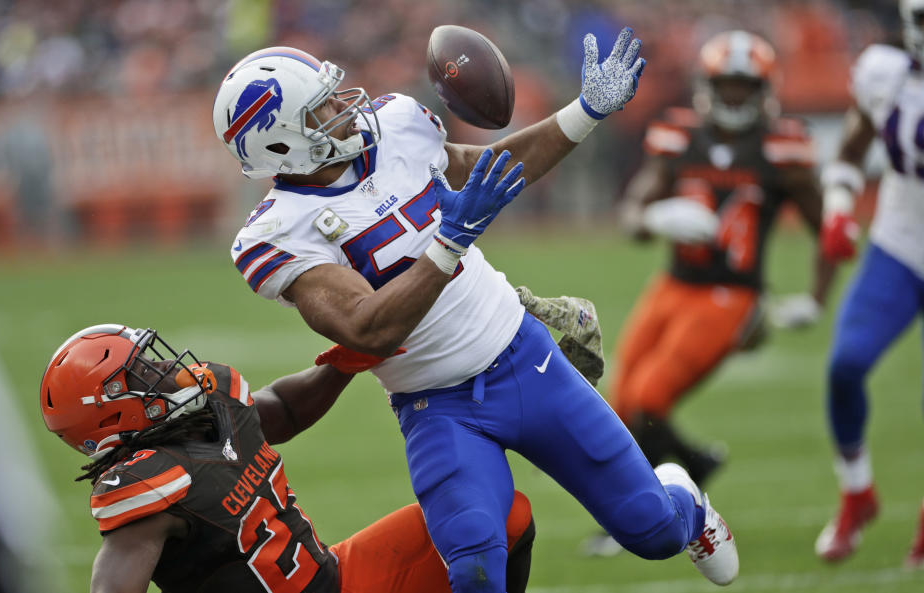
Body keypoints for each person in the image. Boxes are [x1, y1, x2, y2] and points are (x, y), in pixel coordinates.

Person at [211, 29, 739, 592]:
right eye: (322, 109)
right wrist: (451, 239)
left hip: (524, 359)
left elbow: (491, 168)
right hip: (436, 406)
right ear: (283, 144)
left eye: (333, 94)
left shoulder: (396, 126)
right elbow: (368, 327)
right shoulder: (277, 233)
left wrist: (584, 112)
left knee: (654, 532)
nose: (345, 105)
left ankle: (683, 499)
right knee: (475, 570)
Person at [39, 324, 536, 593]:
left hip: (330, 577)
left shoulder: (214, 404)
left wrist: (346, 359)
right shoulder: (147, 485)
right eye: (143, 371)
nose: (166, 368)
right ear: (112, 413)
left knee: (502, 519)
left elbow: (287, 409)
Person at [605, 29, 834, 488]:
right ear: (706, 85)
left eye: (743, 85)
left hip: (731, 294)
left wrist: (817, 298)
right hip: (674, 283)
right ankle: (695, 464)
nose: (733, 94)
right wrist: (653, 219)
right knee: (618, 400)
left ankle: (640, 512)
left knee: (650, 396)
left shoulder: (782, 149)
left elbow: (828, 229)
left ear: (763, 90)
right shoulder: (679, 135)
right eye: (726, 83)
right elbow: (630, 214)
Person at [813, 0, 924, 566]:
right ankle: (857, 491)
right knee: (846, 364)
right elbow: (853, 148)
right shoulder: (887, 75)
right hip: (901, 244)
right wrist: (837, 208)